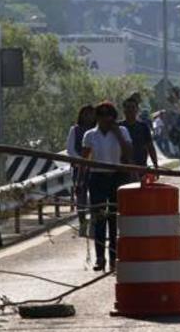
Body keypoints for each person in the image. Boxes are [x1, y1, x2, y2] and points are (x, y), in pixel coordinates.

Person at [80, 102, 132, 271]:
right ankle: (100, 257)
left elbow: (129, 154)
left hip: (117, 176)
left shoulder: (122, 131)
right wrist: (80, 182)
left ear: (113, 116)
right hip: (98, 178)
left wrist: (117, 134)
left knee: (114, 219)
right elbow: (83, 161)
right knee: (99, 219)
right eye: (101, 115)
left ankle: (114, 257)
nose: (105, 118)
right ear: (97, 117)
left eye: (108, 114)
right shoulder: (90, 135)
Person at [67, 105, 97, 236]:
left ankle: (94, 225)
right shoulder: (75, 130)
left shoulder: (97, 131)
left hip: (95, 170)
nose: (88, 117)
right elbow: (70, 149)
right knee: (80, 197)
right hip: (79, 168)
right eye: (86, 114)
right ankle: (82, 222)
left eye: (91, 114)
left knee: (96, 198)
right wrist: (82, 161)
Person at [121, 96, 159, 173]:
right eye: (128, 107)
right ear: (124, 110)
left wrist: (156, 165)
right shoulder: (118, 127)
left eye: (132, 107)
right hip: (122, 168)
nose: (130, 110)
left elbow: (150, 147)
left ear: (137, 110)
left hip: (140, 167)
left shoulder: (143, 127)